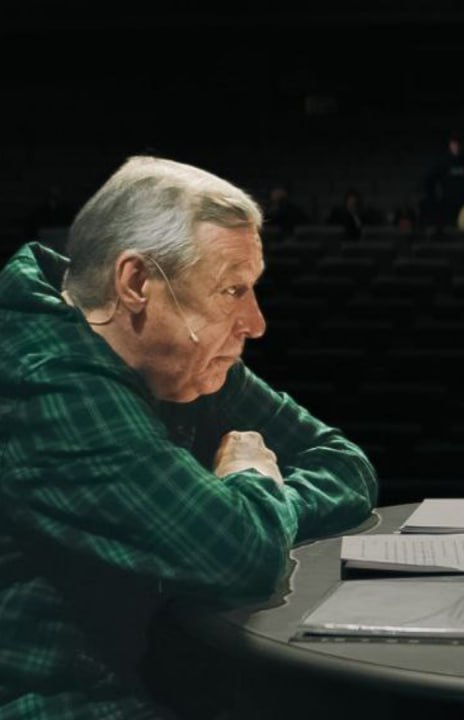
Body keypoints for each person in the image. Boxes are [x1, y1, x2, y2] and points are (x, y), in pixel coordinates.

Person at [0, 156, 378, 719]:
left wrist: (256, 503)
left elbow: (345, 464)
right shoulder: (48, 380)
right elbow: (239, 554)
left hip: (164, 677)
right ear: (136, 283)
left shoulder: (184, 361)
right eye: (231, 289)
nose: (255, 323)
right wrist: (251, 479)